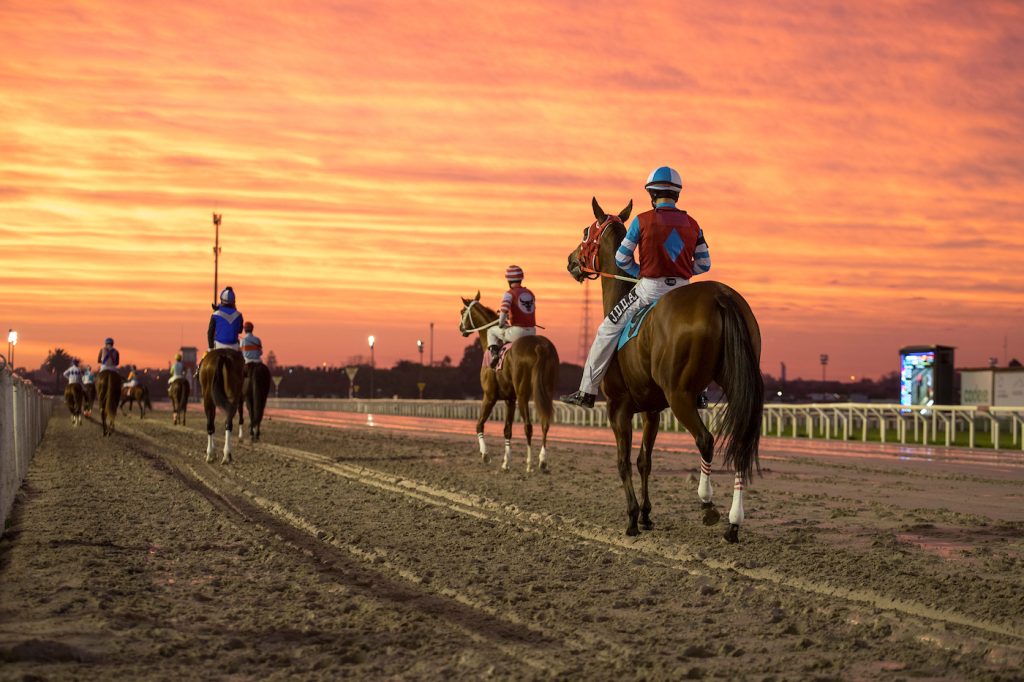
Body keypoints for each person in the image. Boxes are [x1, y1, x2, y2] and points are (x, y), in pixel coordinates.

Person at [561, 166, 711, 407]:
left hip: (649, 289)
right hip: (684, 289)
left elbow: (621, 259)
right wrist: (681, 273)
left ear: (652, 194)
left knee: (606, 330)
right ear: (677, 194)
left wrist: (641, 273)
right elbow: (704, 264)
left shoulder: (641, 221)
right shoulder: (694, 224)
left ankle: (586, 392)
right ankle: (701, 393)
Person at [484, 265, 537, 369]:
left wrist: (501, 322)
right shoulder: (530, 293)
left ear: (508, 280)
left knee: (490, 331)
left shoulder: (509, 294)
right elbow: (528, 310)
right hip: (532, 331)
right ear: (521, 279)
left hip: (518, 333)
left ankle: (495, 356)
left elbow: (503, 312)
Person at [208, 286, 244, 351]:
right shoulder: (239, 315)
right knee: (242, 360)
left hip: (218, 345)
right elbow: (240, 330)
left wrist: (210, 347)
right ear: (233, 301)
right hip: (234, 346)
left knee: (205, 359)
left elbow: (210, 333)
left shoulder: (215, 314)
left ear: (221, 300)